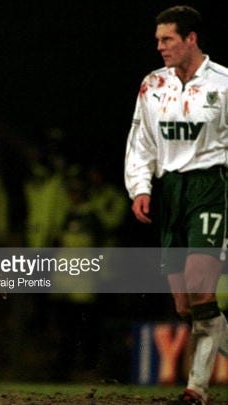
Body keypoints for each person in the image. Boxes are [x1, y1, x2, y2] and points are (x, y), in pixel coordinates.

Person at [124, 6, 228, 404]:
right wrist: (141, 187)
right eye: (158, 40)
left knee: (202, 290)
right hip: (170, 191)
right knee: (185, 305)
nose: (160, 47)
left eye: (167, 39)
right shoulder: (153, 85)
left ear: (191, 39)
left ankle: (195, 391)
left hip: (210, 186)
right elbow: (142, 141)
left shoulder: (222, 83)